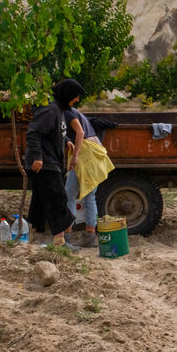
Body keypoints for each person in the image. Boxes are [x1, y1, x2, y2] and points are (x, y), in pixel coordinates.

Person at [25, 79, 85, 251]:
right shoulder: (51, 110)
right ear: (67, 94)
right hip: (46, 163)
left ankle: (28, 236)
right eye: (75, 97)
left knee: (40, 201)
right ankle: (60, 243)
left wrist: (65, 140)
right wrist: (37, 157)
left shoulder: (58, 110)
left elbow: (52, 131)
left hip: (50, 161)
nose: (77, 100)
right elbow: (34, 133)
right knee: (58, 200)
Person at [64, 103, 106, 248]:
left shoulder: (67, 113)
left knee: (68, 194)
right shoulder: (74, 112)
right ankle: (90, 236)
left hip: (85, 153)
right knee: (90, 197)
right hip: (94, 151)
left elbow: (80, 133)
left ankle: (66, 236)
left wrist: (75, 156)